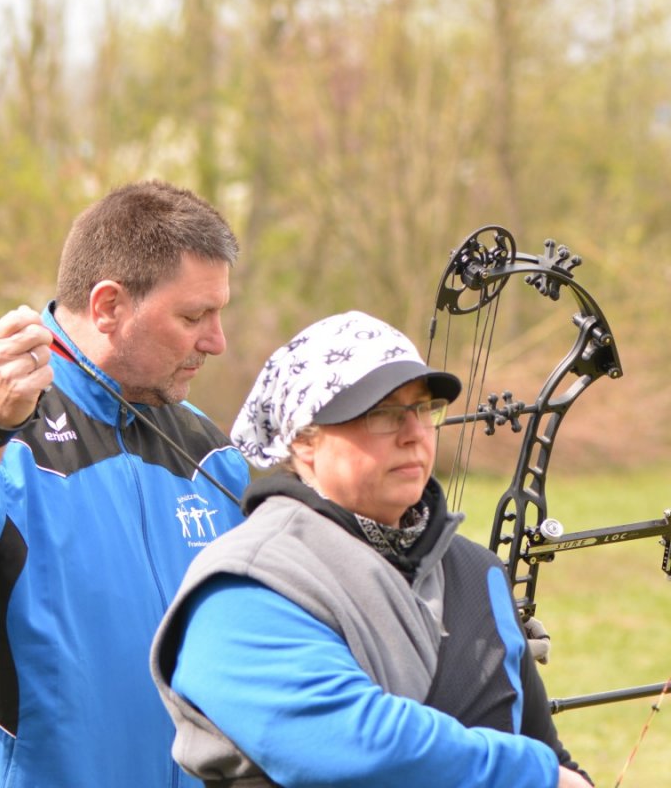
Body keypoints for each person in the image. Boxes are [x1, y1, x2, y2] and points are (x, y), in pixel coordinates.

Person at [0, 180, 251, 787]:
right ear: (108, 305)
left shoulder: (211, 454)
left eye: (218, 314)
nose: (216, 342)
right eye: (193, 316)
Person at [150, 310, 593, 788]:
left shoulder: (475, 572)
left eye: (423, 409)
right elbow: (354, 747)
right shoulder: (244, 585)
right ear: (304, 441)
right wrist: (537, 776)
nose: (414, 433)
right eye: (382, 414)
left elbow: (545, 748)